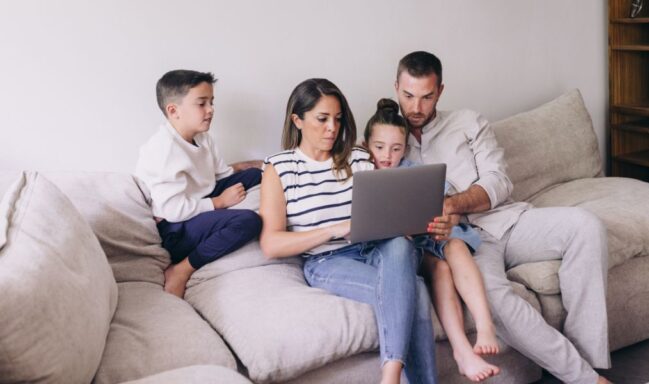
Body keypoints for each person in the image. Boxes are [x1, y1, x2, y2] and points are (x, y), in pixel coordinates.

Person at [395, 51, 612, 384]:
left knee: (587, 226)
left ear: (440, 91)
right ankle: (585, 379)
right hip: (466, 244)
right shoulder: (388, 141)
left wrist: (452, 204)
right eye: (408, 96)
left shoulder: (468, 122)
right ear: (397, 87)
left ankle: (589, 361)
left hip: (508, 220)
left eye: (426, 97)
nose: (416, 107)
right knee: (493, 298)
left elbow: (498, 180)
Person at [258, 78, 437, 384]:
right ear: (297, 120)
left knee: (398, 244)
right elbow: (271, 243)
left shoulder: (357, 158)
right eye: (323, 119)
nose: (332, 128)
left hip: (376, 248)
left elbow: (389, 209)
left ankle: (390, 374)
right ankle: (394, 375)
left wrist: (405, 223)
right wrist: (335, 230)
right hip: (328, 260)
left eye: (338, 119)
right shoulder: (280, 168)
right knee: (416, 290)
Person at [362, 98, 500, 382]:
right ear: (366, 145)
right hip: (392, 250)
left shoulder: (411, 170)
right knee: (435, 264)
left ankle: (481, 331)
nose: (387, 155)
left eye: (396, 148)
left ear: (405, 148)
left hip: (423, 239)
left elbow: (439, 200)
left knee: (453, 248)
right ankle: (462, 350)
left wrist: (435, 218)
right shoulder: (360, 172)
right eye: (379, 147)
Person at [135, 69, 263, 298]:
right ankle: (182, 269)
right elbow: (173, 210)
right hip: (176, 226)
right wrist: (219, 202)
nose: (211, 109)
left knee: (256, 175)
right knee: (248, 221)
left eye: (211, 102)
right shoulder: (164, 151)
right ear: (173, 111)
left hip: (199, 201)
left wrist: (247, 167)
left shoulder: (202, 137)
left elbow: (220, 174)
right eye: (201, 103)